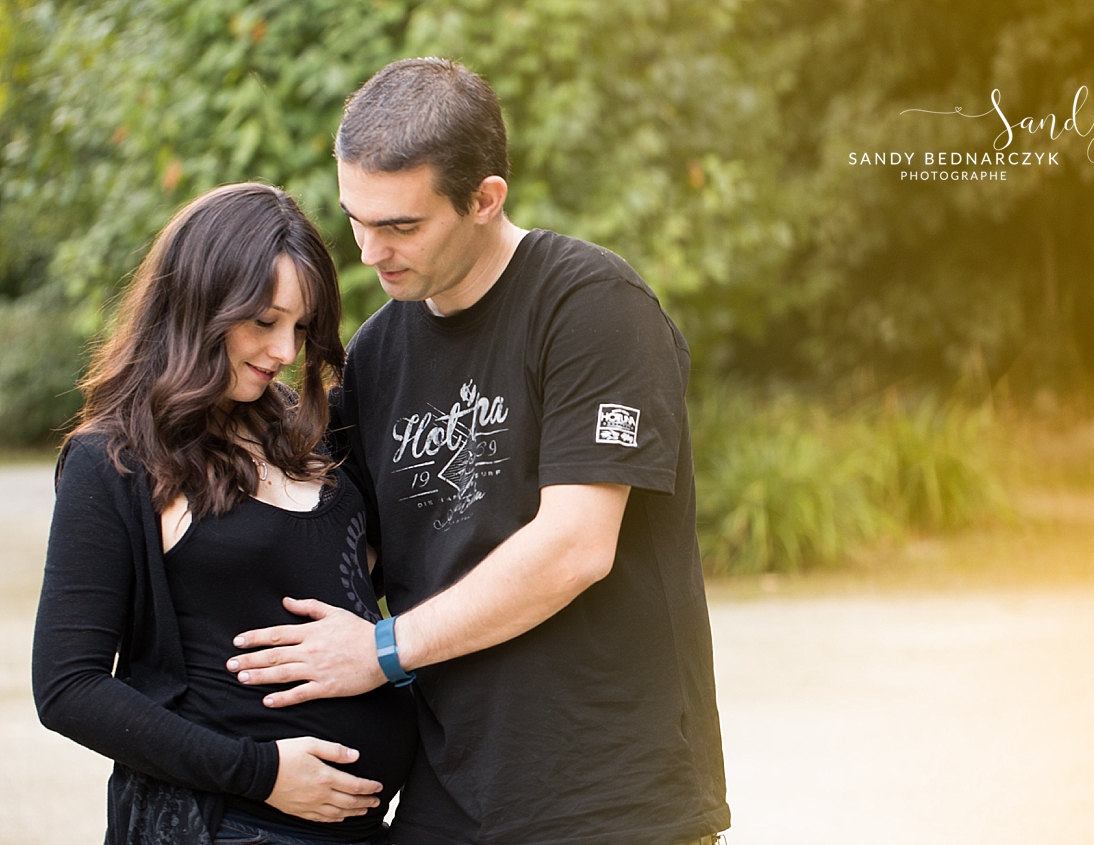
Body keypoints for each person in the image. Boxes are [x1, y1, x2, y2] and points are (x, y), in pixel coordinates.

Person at [226, 59, 730, 845]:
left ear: (485, 199)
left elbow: (575, 546)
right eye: (356, 219)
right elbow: (338, 550)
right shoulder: (379, 352)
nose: (370, 252)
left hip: (611, 799)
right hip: (448, 802)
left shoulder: (592, 307)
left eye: (401, 226)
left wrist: (381, 651)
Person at [31, 183, 417, 845]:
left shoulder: (308, 436)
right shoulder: (117, 460)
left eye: (300, 327)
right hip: (231, 823)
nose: (285, 351)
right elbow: (68, 685)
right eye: (264, 321)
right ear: (200, 303)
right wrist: (259, 771)